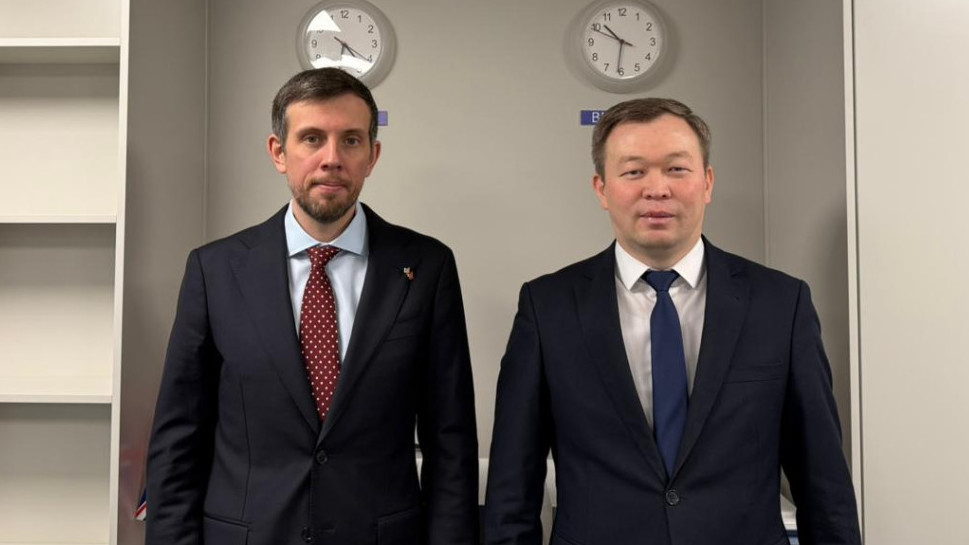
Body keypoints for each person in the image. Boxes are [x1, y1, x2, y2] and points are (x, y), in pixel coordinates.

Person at [483, 98, 860, 545]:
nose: (656, 189)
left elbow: (823, 481)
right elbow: (512, 490)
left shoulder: (780, 303)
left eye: (676, 169)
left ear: (707, 182)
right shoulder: (548, 308)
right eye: (634, 171)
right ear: (601, 188)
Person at [146, 68, 479, 545]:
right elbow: (179, 438)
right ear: (278, 152)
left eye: (351, 140)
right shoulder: (214, 271)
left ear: (372, 155)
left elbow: (451, 441)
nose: (332, 159)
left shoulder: (426, 267)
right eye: (312, 139)